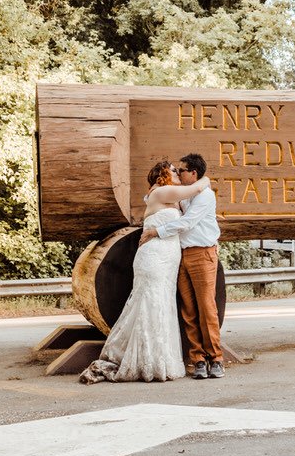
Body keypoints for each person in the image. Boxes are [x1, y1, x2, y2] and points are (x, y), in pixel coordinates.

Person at [79, 160, 211, 384]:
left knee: (159, 304)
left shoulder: (161, 195)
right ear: (164, 175)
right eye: (173, 171)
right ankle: (148, 360)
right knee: (152, 304)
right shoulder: (162, 192)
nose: (177, 173)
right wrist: (205, 177)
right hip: (155, 257)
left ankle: (157, 357)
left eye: (180, 170)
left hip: (166, 257)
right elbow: (197, 188)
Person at [150, 151, 224, 381]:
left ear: (193, 173)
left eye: (182, 170)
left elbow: (188, 222)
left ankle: (216, 358)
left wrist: (158, 232)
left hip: (202, 253)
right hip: (180, 255)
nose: (179, 173)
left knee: (206, 307)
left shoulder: (205, 196)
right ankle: (198, 359)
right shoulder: (183, 194)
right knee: (188, 309)